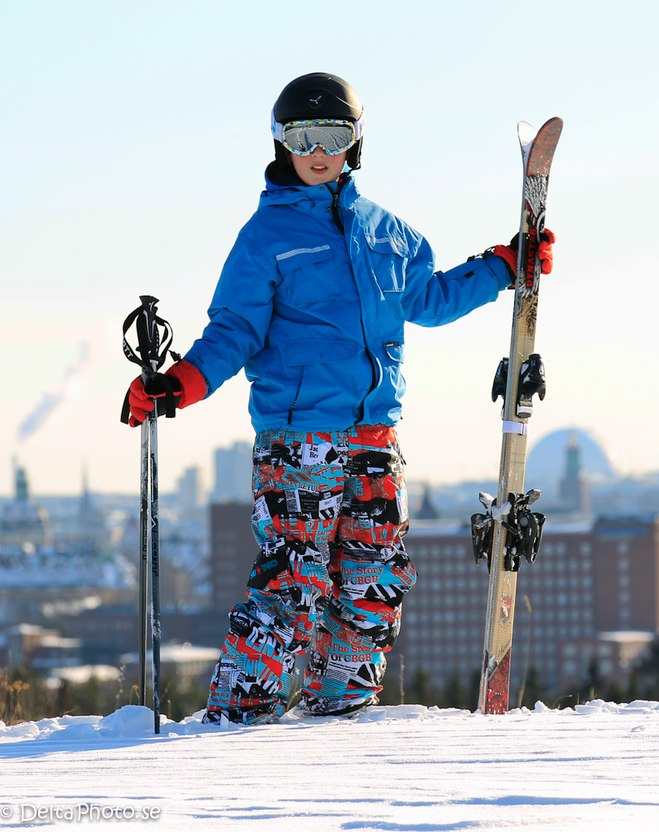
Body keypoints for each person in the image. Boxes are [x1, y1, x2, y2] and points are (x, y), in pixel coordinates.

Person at [125, 72, 555, 725]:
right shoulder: (265, 239)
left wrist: (501, 266)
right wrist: (182, 381)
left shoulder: (386, 234)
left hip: (375, 437)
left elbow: (430, 300)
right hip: (299, 437)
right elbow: (234, 330)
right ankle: (242, 707)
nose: (318, 149)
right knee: (296, 577)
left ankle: (340, 707)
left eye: (333, 134)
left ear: (354, 142)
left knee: (374, 574)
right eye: (303, 136)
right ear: (282, 144)